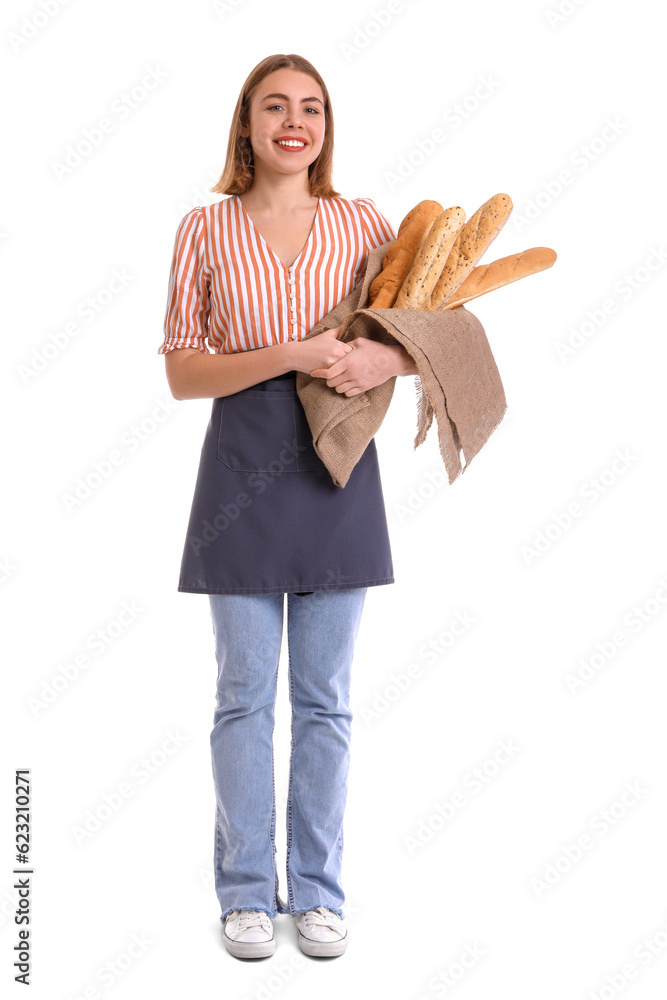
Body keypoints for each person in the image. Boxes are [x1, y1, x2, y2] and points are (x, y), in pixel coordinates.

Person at [158, 53, 418, 961]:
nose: (292, 122)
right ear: (247, 124)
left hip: (337, 463)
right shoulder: (206, 228)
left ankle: (314, 892)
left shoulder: (362, 222)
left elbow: (420, 327)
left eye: (309, 107)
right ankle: (242, 892)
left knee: (326, 701)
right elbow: (184, 372)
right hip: (240, 467)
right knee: (241, 697)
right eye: (274, 106)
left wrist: (381, 360)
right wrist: (293, 353)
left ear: (324, 127)